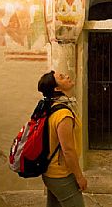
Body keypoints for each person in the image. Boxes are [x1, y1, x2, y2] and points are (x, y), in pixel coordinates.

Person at [37, 70, 87, 207]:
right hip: (61, 174)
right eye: (62, 77)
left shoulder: (50, 107)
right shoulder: (63, 114)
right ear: (57, 88)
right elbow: (68, 150)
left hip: (51, 171)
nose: (67, 76)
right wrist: (79, 177)